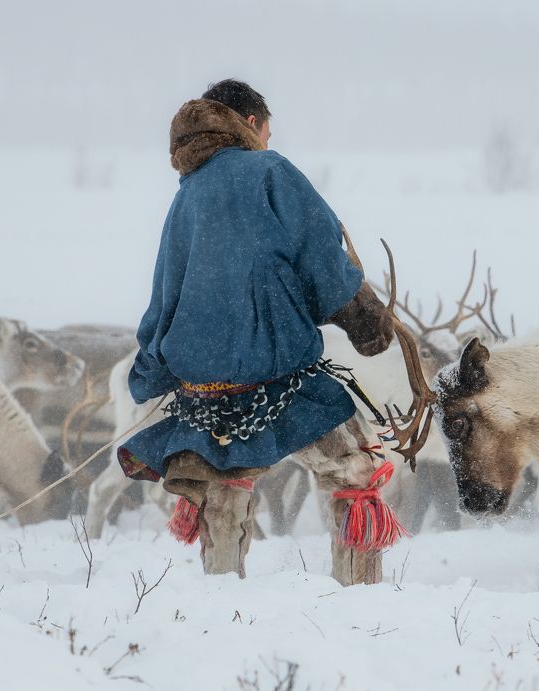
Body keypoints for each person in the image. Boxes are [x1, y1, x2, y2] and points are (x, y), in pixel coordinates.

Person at [117, 79, 394, 578]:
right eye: (267, 129)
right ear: (250, 124)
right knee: (355, 469)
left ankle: (222, 609)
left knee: (225, 485)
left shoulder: (186, 196)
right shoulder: (271, 171)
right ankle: (361, 605)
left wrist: (151, 374)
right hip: (279, 379)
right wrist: (364, 319)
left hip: (202, 394)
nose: (268, 140)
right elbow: (323, 261)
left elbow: (164, 295)